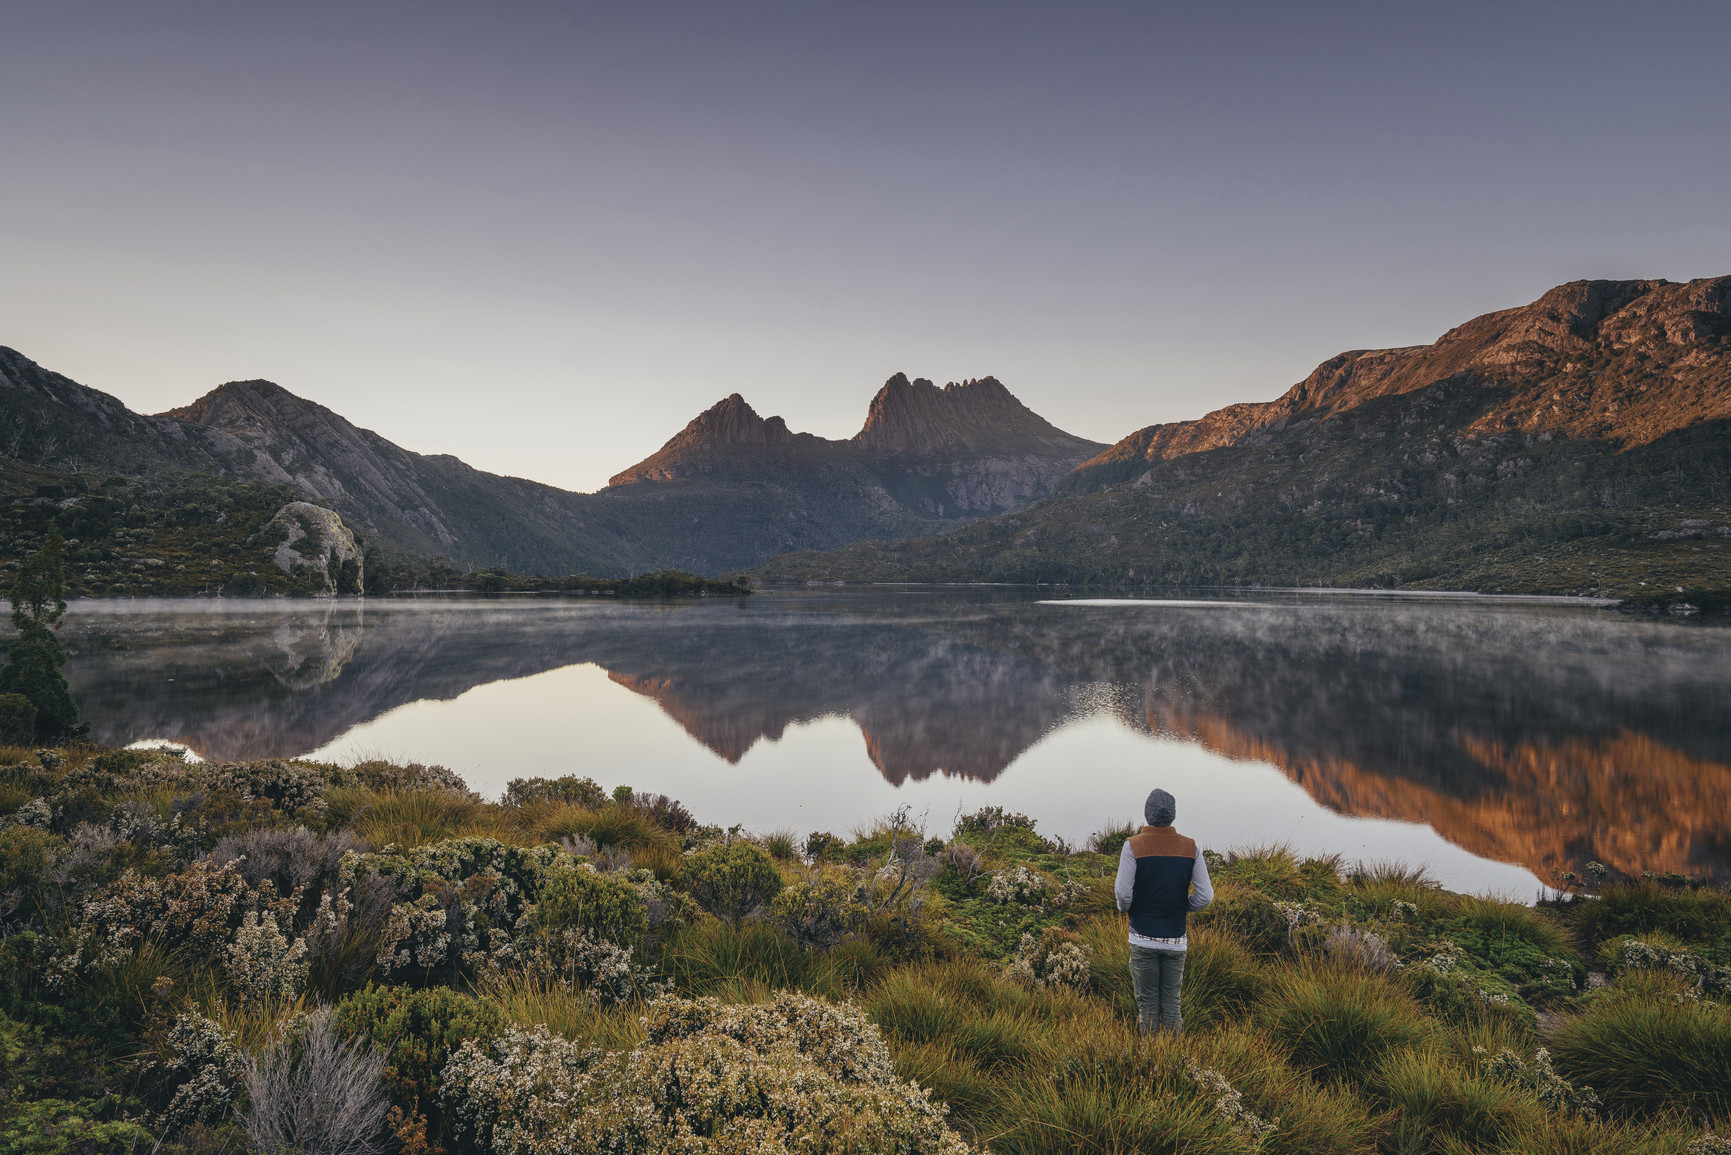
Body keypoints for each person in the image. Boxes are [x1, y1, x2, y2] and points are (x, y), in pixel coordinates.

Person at [1113, 787, 1213, 1035]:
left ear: (1147, 814)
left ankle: (1150, 1063)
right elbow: (1206, 896)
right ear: (1173, 816)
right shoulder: (1191, 847)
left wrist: (1127, 909)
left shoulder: (1132, 846)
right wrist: (1183, 906)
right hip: (1176, 940)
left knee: (1147, 1005)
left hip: (1142, 937)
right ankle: (1173, 1062)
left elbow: (1123, 894)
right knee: (1171, 1005)